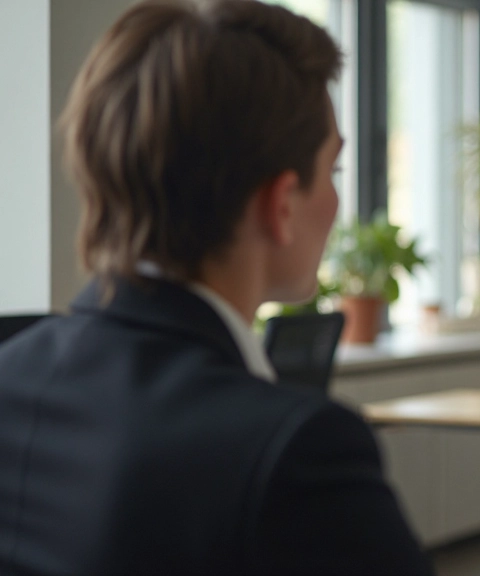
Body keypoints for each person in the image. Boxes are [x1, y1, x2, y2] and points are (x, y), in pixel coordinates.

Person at [0, 1, 433, 574]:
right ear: (281, 205)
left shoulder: (10, 375)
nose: (335, 201)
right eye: (331, 171)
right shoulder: (299, 454)